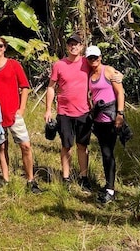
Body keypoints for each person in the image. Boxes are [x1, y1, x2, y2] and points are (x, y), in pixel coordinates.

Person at [0, 36, 42, 194]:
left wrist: (21, 109)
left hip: (13, 113)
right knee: (3, 148)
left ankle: (31, 180)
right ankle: (6, 179)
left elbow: (25, 87)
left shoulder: (14, 65)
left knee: (26, 146)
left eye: (0, 45)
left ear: (5, 47)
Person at [44, 33, 93, 189]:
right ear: (67, 46)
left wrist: (116, 76)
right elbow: (51, 87)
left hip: (84, 111)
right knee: (66, 145)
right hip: (64, 112)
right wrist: (48, 110)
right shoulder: (59, 65)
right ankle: (65, 177)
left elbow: (102, 71)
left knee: (82, 146)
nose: (74, 46)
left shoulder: (87, 63)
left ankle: (83, 177)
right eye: (71, 44)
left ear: (81, 46)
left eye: (76, 44)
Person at [86, 45, 126, 203]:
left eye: (95, 57)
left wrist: (120, 114)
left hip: (110, 118)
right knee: (104, 152)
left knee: (108, 153)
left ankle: (110, 189)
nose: (93, 60)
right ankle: (108, 185)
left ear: (100, 57)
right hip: (98, 120)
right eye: (90, 58)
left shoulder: (108, 71)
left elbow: (120, 92)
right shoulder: (89, 74)